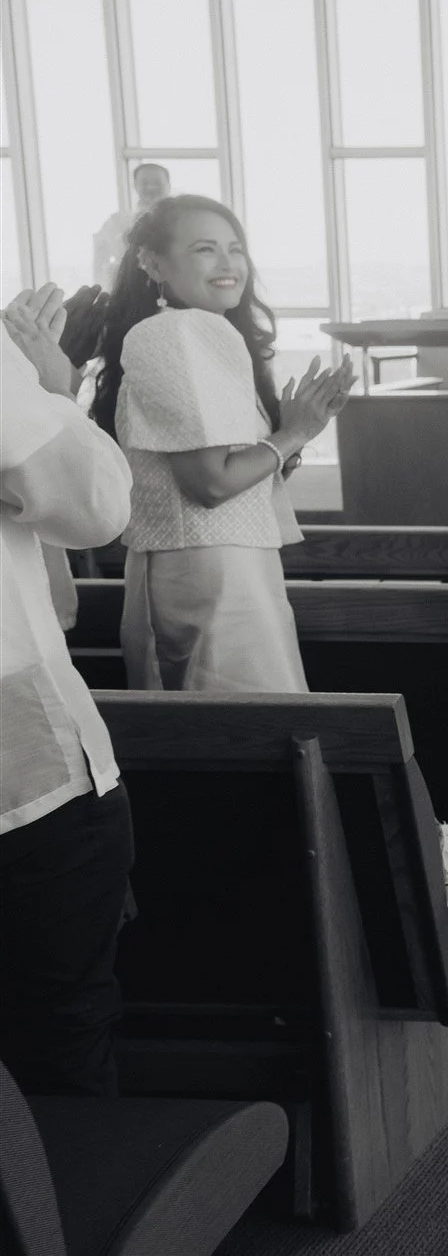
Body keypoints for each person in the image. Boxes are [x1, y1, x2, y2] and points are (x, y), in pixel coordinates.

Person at [85, 195, 354, 692]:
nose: (229, 263)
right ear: (155, 264)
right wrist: (295, 432)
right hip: (212, 570)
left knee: (250, 726)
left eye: (236, 248)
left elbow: (232, 474)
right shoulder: (176, 333)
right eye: (206, 249)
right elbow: (210, 484)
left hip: (223, 561)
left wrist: (287, 440)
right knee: (247, 728)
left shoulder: (203, 332)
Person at [0, 283, 134, 1097]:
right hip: (20, 769)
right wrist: (48, 383)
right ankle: (63, 1220)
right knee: (58, 1023)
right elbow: (96, 504)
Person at [90, 163, 173, 293]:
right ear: (135, 185)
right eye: (145, 183)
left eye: (157, 182)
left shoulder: (182, 220)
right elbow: (100, 258)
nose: (151, 187)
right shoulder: (117, 222)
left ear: (168, 185)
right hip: (130, 290)